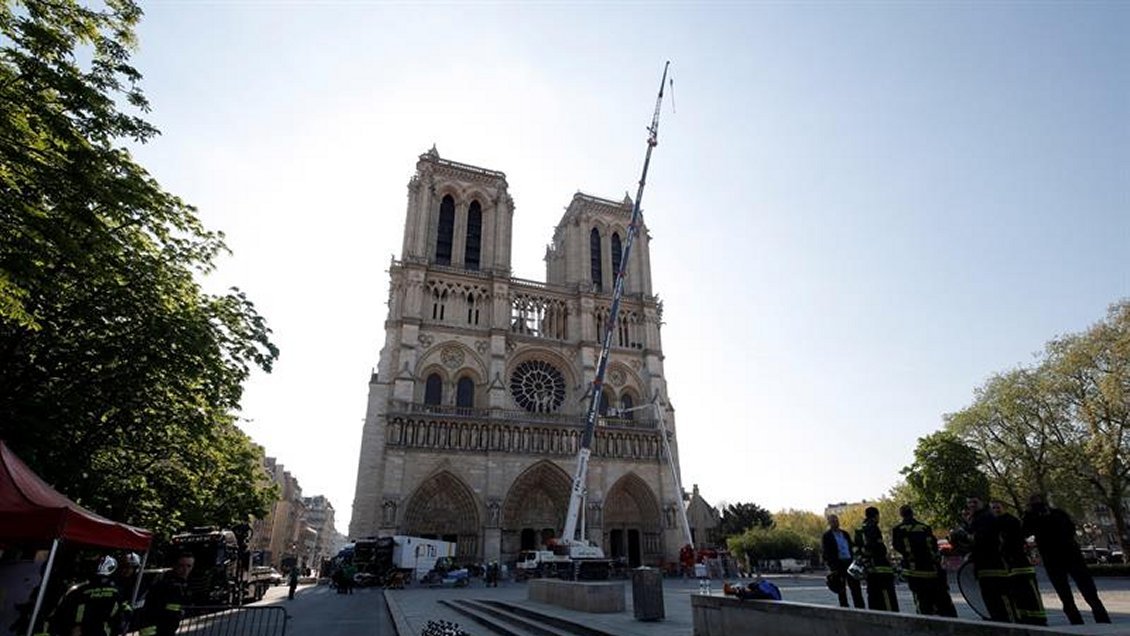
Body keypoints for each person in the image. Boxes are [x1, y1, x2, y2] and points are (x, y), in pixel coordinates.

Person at [1022, 493, 1111, 625]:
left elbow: (1025, 532)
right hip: (1068, 554)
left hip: (1055, 556)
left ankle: (1078, 621)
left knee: (1069, 593)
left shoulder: (1037, 517)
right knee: (1082, 591)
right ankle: (1099, 619)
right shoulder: (1057, 514)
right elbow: (1070, 529)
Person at [891, 505, 957, 617]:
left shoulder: (898, 529)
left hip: (914, 570)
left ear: (901, 515)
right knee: (938, 596)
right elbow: (934, 546)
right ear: (912, 513)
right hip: (931, 569)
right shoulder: (924, 527)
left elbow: (898, 546)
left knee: (921, 599)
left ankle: (926, 620)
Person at [990, 500, 1047, 626]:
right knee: (1019, 594)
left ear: (1004, 508)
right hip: (1011, 565)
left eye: (997, 507)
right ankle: (1026, 616)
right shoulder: (998, 522)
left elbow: (1011, 541)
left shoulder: (1010, 521)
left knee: (1029, 592)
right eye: (993, 508)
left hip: (1021, 563)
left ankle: (1038, 617)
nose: (995, 510)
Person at [43, 555, 127, 636]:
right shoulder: (118, 591)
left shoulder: (80, 588)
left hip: (80, 629)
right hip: (102, 630)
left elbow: (62, 612)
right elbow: (119, 616)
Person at [964, 496, 1015, 622]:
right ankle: (997, 622)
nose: (972, 505)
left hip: (994, 564)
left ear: (982, 503)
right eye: (970, 503)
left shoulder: (986, 517)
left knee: (1001, 597)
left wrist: (966, 537)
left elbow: (983, 538)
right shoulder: (976, 519)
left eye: (975, 502)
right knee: (990, 598)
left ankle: (1010, 624)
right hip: (983, 566)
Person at [854, 506, 898, 612]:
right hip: (880, 567)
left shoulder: (860, 530)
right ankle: (890, 615)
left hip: (869, 569)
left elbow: (857, 549)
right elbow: (878, 547)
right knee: (886, 594)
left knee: (873, 595)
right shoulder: (873, 527)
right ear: (876, 516)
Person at [139, 553, 194, 636]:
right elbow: (151, 607)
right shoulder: (165, 583)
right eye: (181, 566)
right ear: (175, 565)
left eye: (189, 566)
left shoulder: (184, 584)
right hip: (154, 627)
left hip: (169, 627)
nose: (185, 570)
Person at [821, 514, 864, 608]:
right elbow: (826, 552)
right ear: (829, 523)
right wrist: (832, 566)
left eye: (836, 520)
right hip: (838, 564)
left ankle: (860, 607)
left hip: (849, 562)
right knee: (841, 588)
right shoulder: (827, 536)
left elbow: (851, 546)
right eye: (833, 521)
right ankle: (844, 607)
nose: (835, 523)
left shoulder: (845, 534)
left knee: (855, 587)